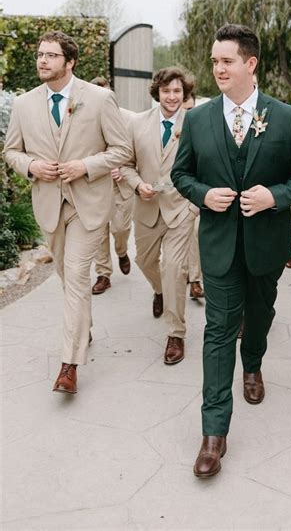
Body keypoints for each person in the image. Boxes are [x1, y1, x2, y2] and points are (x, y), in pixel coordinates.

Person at [171, 23, 291, 477]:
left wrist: (274, 196)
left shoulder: (288, 116)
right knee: (218, 331)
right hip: (217, 246)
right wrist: (202, 195)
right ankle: (214, 434)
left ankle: (252, 362)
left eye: (227, 60)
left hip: (265, 246)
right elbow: (182, 174)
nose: (217, 68)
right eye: (215, 60)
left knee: (259, 316)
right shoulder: (197, 118)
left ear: (250, 64)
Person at [3, 30, 132, 394]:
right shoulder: (25, 104)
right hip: (49, 205)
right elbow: (11, 151)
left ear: (70, 61)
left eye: (51, 55)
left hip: (88, 205)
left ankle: (69, 365)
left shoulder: (100, 98)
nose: (42, 60)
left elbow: (122, 149)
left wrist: (86, 166)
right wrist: (31, 167)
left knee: (76, 276)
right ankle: (82, 327)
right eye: (40, 55)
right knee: (64, 275)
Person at [121, 67, 198, 365]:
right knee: (144, 261)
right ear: (158, 93)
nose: (172, 96)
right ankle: (159, 290)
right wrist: (138, 184)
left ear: (184, 93)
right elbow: (127, 164)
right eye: (166, 91)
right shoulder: (137, 124)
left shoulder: (195, 123)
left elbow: (205, 164)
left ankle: (175, 333)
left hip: (181, 208)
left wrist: (194, 204)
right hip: (147, 208)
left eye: (177, 91)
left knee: (175, 268)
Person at [89, 76, 135, 295]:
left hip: (122, 186)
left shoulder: (130, 119)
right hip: (95, 185)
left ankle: (122, 251)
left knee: (120, 229)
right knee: (98, 232)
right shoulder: (83, 118)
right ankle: (103, 274)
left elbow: (138, 151)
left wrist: (121, 166)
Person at [182, 92, 204, 300]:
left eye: (190, 109)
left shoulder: (200, 126)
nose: (187, 113)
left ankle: (195, 280)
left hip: (194, 195)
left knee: (195, 235)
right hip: (165, 196)